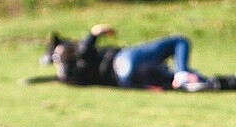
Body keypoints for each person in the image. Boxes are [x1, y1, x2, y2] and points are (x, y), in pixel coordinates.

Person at [40, 24, 236, 91]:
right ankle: (183, 72)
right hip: (125, 60)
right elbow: (83, 50)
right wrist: (94, 33)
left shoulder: (72, 78)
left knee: (186, 81)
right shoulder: (69, 53)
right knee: (179, 41)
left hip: (127, 81)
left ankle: (219, 82)